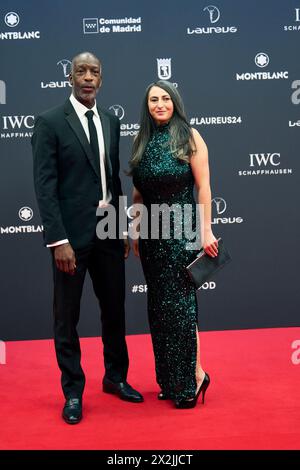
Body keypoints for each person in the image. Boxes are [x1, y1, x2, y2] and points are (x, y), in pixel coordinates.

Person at [32, 52, 143, 425]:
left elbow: (112, 179)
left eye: (94, 71)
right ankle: (73, 391)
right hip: (71, 238)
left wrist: (122, 227)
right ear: (70, 76)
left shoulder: (110, 120)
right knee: (67, 316)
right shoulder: (49, 122)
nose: (88, 77)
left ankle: (115, 377)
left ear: (101, 78)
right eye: (81, 71)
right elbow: (45, 187)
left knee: (114, 309)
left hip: (108, 232)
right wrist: (57, 239)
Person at [129, 80, 218, 409]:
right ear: (147, 105)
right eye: (153, 99)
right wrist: (136, 231)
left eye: (165, 98)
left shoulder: (190, 136)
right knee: (159, 309)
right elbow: (138, 195)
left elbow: (205, 189)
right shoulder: (142, 141)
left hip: (182, 233)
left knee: (181, 309)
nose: (160, 104)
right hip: (152, 237)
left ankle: (194, 377)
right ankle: (169, 379)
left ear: (175, 101)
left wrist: (206, 231)